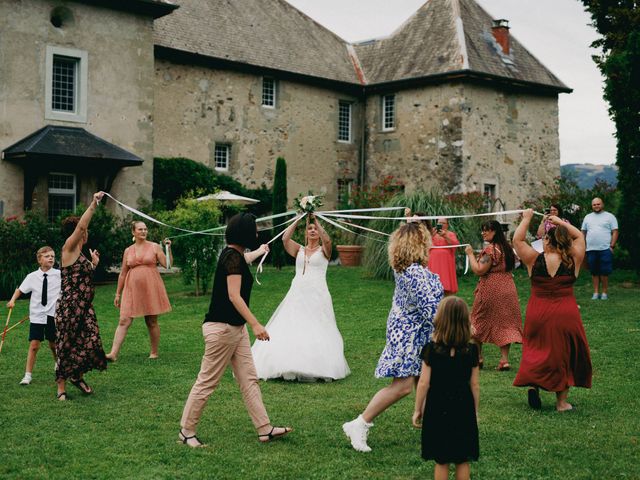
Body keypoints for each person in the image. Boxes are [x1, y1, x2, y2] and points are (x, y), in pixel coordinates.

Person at [179, 213, 292, 448]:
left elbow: (244, 260)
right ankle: (186, 432)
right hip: (223, 329)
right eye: (254, 231)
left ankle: (265, 429)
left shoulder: (234, 255)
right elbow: (234, 296)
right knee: (207, 382)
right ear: (245, 234)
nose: (257, 234)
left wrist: (260, 250)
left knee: (249, 379)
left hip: (234, 330)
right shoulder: (232, 257)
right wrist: (256, 324)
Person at [342, 222, 443, 453]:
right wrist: (458, 326)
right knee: (403, 386)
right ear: (420, 243)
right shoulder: (414, 272)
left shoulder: (407, 269)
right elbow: (431, 309)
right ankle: (359, 423)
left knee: (426, 382)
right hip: (409, 335)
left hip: (413, 333)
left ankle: (434, 431)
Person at [251, 215, 350, 381]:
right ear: (305, 233)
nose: (312, 231)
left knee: (318, 326)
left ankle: (319, 366)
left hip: (318, 294)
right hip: (298, 293)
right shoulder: (299, 249)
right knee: (293, 324)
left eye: (315, 229)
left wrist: (316, 219)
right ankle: (289, 363)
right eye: (309, 229)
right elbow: (284, 238)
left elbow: (327, 240)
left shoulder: (324, 251)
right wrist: (299, 217)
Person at [513, 209, 592, 411]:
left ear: (547, 241)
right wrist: (560, 222)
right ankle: (561, 402)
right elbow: (579, 236)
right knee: (563, 352)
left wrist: (527, 218)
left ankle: (534, 384)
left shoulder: (534, 259)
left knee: (535, 348)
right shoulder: (573, 259)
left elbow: (518, 240)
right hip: (565, 312)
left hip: (537, 311)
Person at [413, 296, 480, 480]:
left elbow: (424, 383)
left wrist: (418, 409)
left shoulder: (431, 350)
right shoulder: (472, 351)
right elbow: (474, 384)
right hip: (463, 407)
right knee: (462, 459)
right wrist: (474, 411)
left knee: (441, 459)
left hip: (437, 407)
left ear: (440, 321)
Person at [55, 192, 108, 400]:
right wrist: (94, 204)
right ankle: (61, 389)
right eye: (84, 231)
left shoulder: (82, 254)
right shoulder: (68, 249)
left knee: (91, 341)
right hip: (69, 307)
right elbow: (81, 226)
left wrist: (93, 264)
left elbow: (82, 277)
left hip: (85, 308)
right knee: (65, 345)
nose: (86, 233)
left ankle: (76, 375)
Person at [106, 221, 172, 361]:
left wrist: (168, 249)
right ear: (133, 232)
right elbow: (123, 273)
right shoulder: (128, 250)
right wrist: (118, 293)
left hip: (151, 286)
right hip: (131, 288)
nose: (143, 231)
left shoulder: (154, 246)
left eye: (145, 229)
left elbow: (167, 265)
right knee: (124, 319)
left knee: (151, 321)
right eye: (140, 229)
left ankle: (154, 352)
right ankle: (113, 354)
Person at [464, 220, 522, 371]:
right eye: (482, 230)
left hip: (491, 289)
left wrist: (470, 255)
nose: (483, 232)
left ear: (495, 231)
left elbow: (479, 270)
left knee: (477, 320)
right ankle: (504, 360)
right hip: (508, 287)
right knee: (505, 322)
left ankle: (478, 357)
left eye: (487, 230)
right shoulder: (507, 248)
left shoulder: (490, 250)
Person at [7, 246, 61, 386]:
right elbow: (20, 290)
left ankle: (58, 364)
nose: (51, 258)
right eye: (47, 256)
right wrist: (12, 300)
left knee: (53, 344)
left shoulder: (59, 274)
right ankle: (27, 375)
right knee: (34, 345)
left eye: (53, 256)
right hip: (37, 315)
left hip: (52, 315)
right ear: (39, 259)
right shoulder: (32, 277)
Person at [581, 197, 619, 300]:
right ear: (592, 206)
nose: (596, 206)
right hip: (591, 249)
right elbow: (583, 232)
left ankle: (604, 293)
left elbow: (615, 231)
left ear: (602, 204)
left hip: (605, 249)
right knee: (594, 272)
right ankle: (596, 292)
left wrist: (612, 246)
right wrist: (583, 246)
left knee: (604, 272)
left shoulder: (610, 217)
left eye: (598, 204)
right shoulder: (587, 217)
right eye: (594, 204)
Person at [429, 218, 460, 295]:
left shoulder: (450, 234)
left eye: (443, 223)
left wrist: (445, 236)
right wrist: (431, 235)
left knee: (445, 281)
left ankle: (446, 293)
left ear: (447, 225)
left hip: (446, 262)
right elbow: (424, 243)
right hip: (433, 261)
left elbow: (455, 245)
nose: (441, 225)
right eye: (439, 223)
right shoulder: (431, 232)